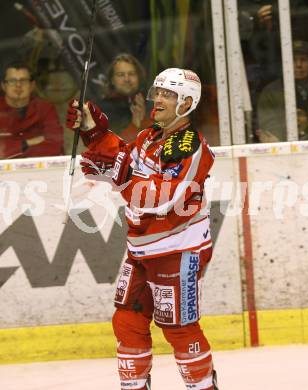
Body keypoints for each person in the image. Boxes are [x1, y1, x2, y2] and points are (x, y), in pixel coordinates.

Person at [67, 68, 219, 390]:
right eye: (158, 92)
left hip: (178, 250)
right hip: (141, 249)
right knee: (127, 320)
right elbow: (122, 158)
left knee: (177, 327)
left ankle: (204, 385)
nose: (159, 99)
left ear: (187, 103)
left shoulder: (190, 147)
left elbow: (164, 198)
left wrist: (119, 175)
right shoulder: (149, 137)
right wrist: (93, 130)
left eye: (168, 94)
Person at [0, 60, 64, 159]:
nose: (18, 85)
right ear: (3, 86)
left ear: (32, 86)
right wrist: (26, 143)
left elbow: (55, 144)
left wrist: (11, 149)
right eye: (12, 81)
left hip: (41, 170)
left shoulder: (45, 108)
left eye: (23, 80)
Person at [257, 40, 308, 142]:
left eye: (304, 59)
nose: (298, 65)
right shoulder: (271, 92)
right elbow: (268, 124)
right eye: (293, 60)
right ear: (284, 62)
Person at [98, 53, 152, 142]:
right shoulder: (100, 110)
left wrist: (144, 121)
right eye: (121, 75)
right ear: (112, 80)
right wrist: (135, 125)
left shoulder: (152, 103)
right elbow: (109, 147)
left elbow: (160, 139)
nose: (127, 79)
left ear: (139, 77)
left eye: (132, 74)